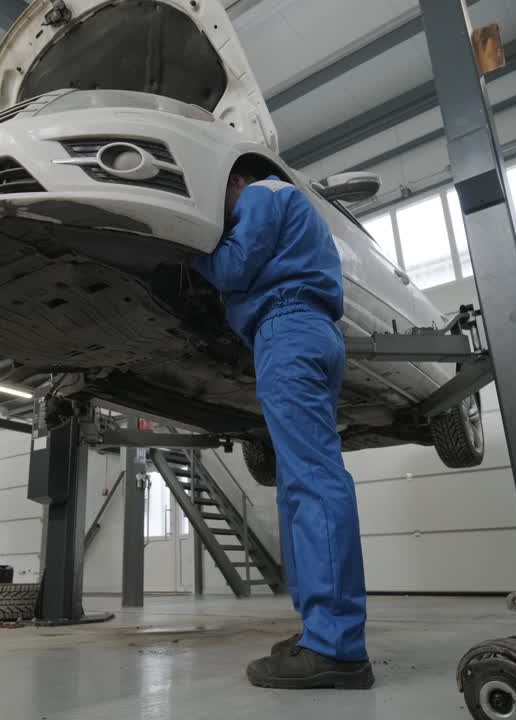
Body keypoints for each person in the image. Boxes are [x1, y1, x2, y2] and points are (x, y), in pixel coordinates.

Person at [191, 159, 372, 690]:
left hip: (289, 330)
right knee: (299, 485)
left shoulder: (262, 194)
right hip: (300, 331)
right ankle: (320, 632)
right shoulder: (280, 205)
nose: (218, 215)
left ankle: (338, 648)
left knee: (312, 481)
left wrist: (189, 254)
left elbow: (233, 266)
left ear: (233, 181)